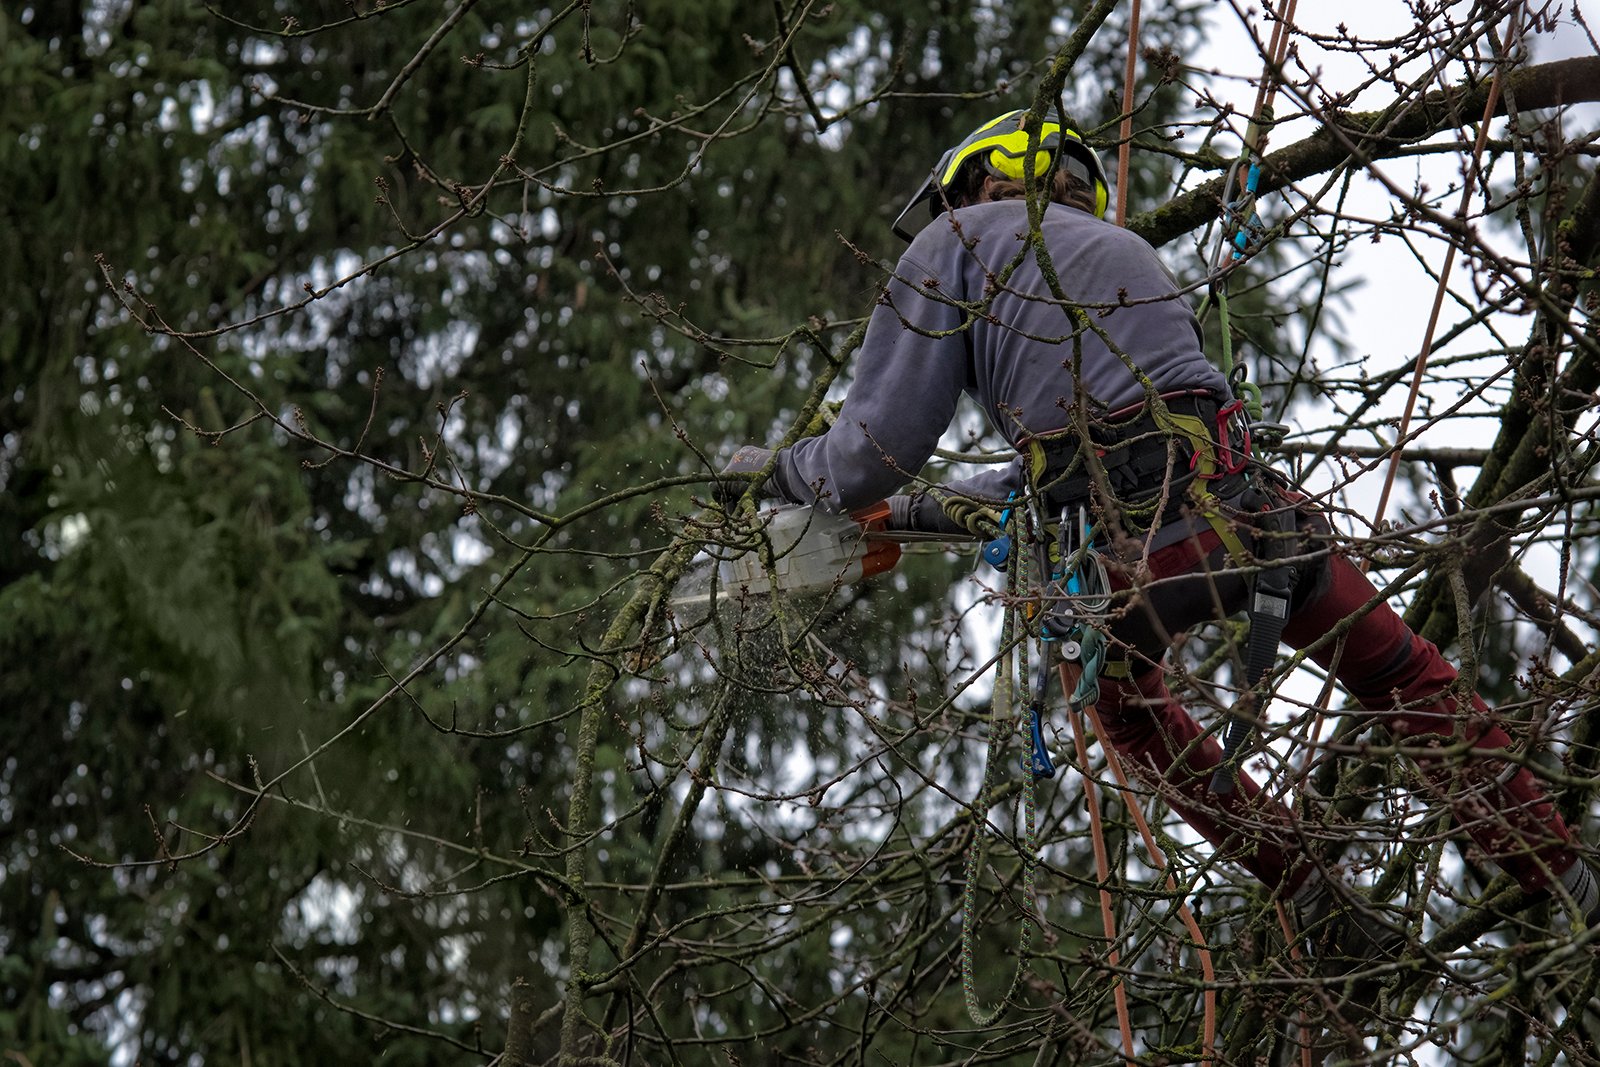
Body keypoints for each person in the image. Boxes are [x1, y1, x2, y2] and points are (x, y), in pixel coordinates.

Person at [720, 109, 1596, 963]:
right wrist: (906, 520)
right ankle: (1565, 870)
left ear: (989, 182)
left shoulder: (955, 244)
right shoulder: (1129, 255)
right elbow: (1067, 467)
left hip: (1132, 562)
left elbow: (870, 455)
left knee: (1131, 715)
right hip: (1255, 523)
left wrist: (776, 471)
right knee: (1402, 670)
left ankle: (1310, 895)